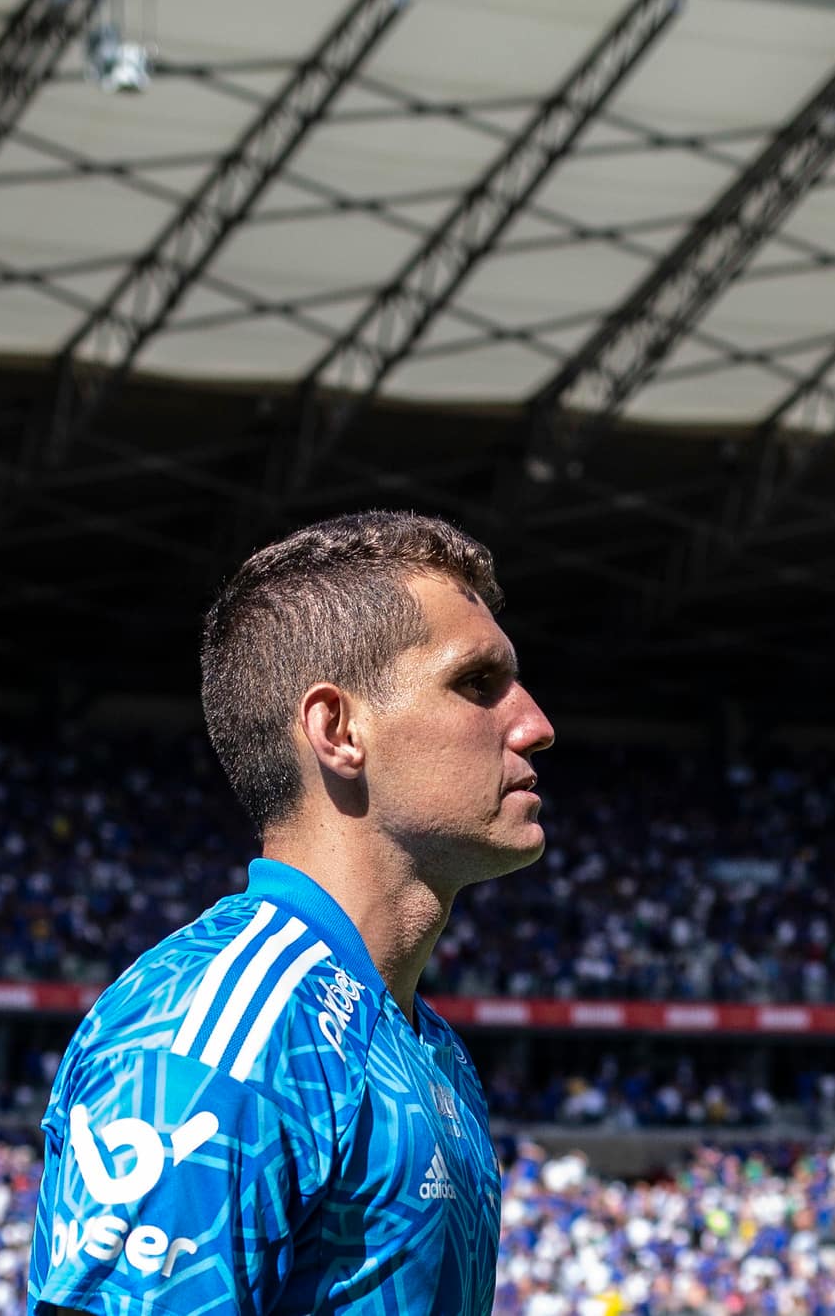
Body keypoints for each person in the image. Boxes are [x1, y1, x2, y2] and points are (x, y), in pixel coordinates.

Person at [29, 511, 555, 1315]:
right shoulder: (215, 1037)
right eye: (476, 684)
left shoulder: (425, 1044)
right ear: (338, 729)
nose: (535, 725)